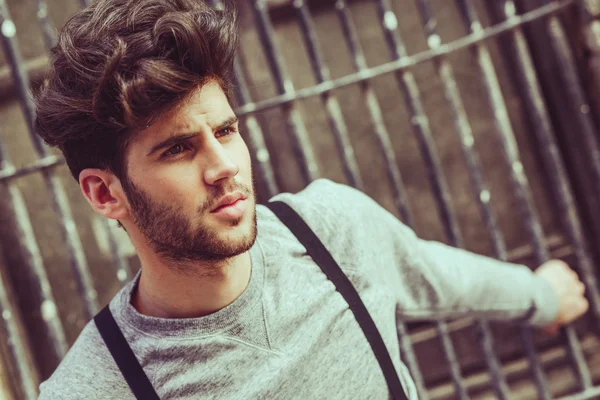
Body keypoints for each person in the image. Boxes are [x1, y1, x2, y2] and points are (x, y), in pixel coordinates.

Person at [34, 0, 588, 399]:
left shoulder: (328, 231)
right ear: (105, 193)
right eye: (179, 149)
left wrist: (544, 295)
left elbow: (436, 271)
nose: (223, 165)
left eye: (225, 131)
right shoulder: (98, 387)